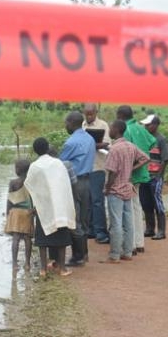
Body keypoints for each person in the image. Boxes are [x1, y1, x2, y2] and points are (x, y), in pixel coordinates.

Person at [24, 138, 76, 277]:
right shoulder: (58, 163)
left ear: (35, 151)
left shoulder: (35, 166)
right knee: (61, 238)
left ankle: (43, 269)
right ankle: (62, 268)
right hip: (59, 206)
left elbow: (30, 186)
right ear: (48, 148)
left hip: (44, 207)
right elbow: (65, 184)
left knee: (42, 239)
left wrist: (34, 205)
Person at [103, 120, 150, 263]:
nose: (109, 130)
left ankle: (115, 255)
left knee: (116, 223)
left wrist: (107, 188)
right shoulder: (130, 146)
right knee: (128, 222)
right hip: (128, 188)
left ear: (116, 129)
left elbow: (112, 172)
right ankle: (128, 252)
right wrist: (131, 168)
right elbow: (145, 158)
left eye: (111, 128)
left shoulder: (114, 149)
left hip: (116, 190)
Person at [116, 105, 156, 254]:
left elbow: (126, 151)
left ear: (120, 116)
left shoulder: (126, 130)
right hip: (141, 173)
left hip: (130, 174)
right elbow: (152, 141)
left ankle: (131, 244)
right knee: (136, 206)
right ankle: (139, 242)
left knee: (128, 208)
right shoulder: (140, 128)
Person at [59, 111, 96, 267]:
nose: (65, 125)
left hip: (74, 183)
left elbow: (60, 164)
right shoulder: (90, 139)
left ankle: (78, 256)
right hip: (87, 181)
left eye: (66, 122)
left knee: (74, 219)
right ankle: (84, 254)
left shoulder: (71, 142)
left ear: (72, 122)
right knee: (84, 219)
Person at [82, 103, 112, 244]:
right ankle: (91, 230)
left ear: (96, 112)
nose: (89, 116)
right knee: (87, 201)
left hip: (98, 167)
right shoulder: (82, 125)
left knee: (98, 201)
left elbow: (106, 144)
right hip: (85, 168)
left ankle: (101, 232)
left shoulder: (103, 125)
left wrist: (89, 144)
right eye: (86, 114)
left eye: (91, 114)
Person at [140, 115, 168, 239]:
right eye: (145, 125)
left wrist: (159, 176)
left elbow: (165, 159)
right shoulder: (144, 138)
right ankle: (149, 228)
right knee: (146, 203)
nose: (146, 127)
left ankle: (161, 231)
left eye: (149, 124)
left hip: (155, 177)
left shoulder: (161, 139)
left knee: (157, 203)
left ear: (156, 125)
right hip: (144, 176)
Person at [5, 159, 34, 272]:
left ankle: (14, 264)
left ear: (17, 170)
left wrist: (8, 213)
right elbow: (34, 198)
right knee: (27, 238)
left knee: (16, 239)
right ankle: (27, 263)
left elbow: (10, 200)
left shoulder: (13, 183)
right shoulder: (31, 182)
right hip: (28, 212)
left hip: (16, 212)